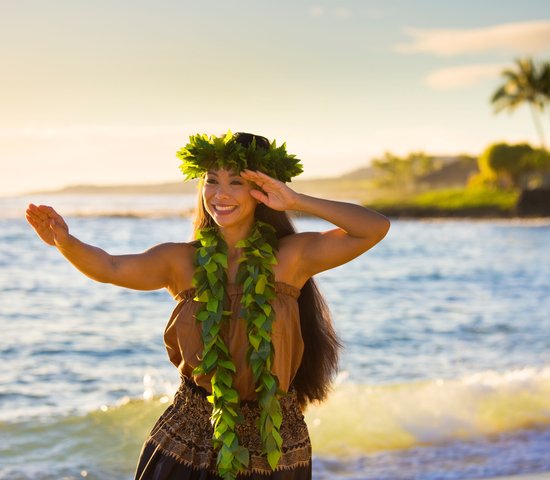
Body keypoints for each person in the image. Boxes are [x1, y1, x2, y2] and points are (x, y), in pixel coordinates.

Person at [25, 131, 390, 480]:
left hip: (274, 439)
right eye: (212, 180)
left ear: (262, 190)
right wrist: (64, 241)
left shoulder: (291, 257)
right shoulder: (179, 261)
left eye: (236, 182)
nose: (220, 194)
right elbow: (109, 267)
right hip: (190, 435)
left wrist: (296, 200)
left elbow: (373, 228)